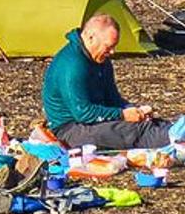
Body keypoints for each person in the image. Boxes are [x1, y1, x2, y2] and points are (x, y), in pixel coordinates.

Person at [40, 13, 177, 153]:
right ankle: (179, 139)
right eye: (109, 46)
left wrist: (135, 110)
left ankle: (179, 132)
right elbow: (83, 113)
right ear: (91, 37)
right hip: (70, 129)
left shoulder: (101, 60)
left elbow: (113, 98)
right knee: (133, 131)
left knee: (147, 123)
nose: (112, 52)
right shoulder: (72, 66)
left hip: (95, 120)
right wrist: (123, 115)